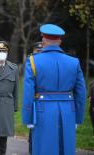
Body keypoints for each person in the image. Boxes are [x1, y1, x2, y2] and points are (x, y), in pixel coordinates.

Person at [22, 24, 86, 155]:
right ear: (60, 41)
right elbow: (81, 93)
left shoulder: (33, 61)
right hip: (68, 112)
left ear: (43, 40)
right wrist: (78, 118)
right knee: (66, 149)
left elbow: (28, 92)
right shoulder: (74, 62)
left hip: (42, 112)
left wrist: (28, 118)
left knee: (44, 150)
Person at [28, 41, 42, 155]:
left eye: (41, 51)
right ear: (33, 52)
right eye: (37, 51)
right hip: (34, 102)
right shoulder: (30, 64)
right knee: (33, 131)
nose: (39, 53)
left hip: (46, 102)